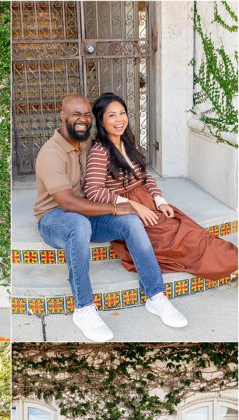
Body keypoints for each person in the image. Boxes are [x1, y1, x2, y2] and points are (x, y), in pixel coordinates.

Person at [33, 94, 187, 342]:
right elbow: (67, 203)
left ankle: (156, 296)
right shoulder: (51, 153)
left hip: (87, 214)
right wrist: (116, 208)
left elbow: (120, 169)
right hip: (54, 219)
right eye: (76, 115)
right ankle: (83, 308)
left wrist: (142, 199)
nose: (82, 120)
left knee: (131, 221)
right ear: (62, 115)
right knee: (80, 223)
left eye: (86, 115)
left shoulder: (87, 143)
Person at [85, 93, 238, 281]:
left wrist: (160, 200)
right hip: (130, 214)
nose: (119, 120)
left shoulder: (129, 142)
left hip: (150, 206)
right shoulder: (100, 151)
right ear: (101, 120)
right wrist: (132, 205)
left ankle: (232, 263)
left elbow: (145, 175)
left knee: (192, 231)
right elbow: (93, 190)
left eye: (122, 113)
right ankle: (231, 264)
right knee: (183, 239)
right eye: (112, 115)